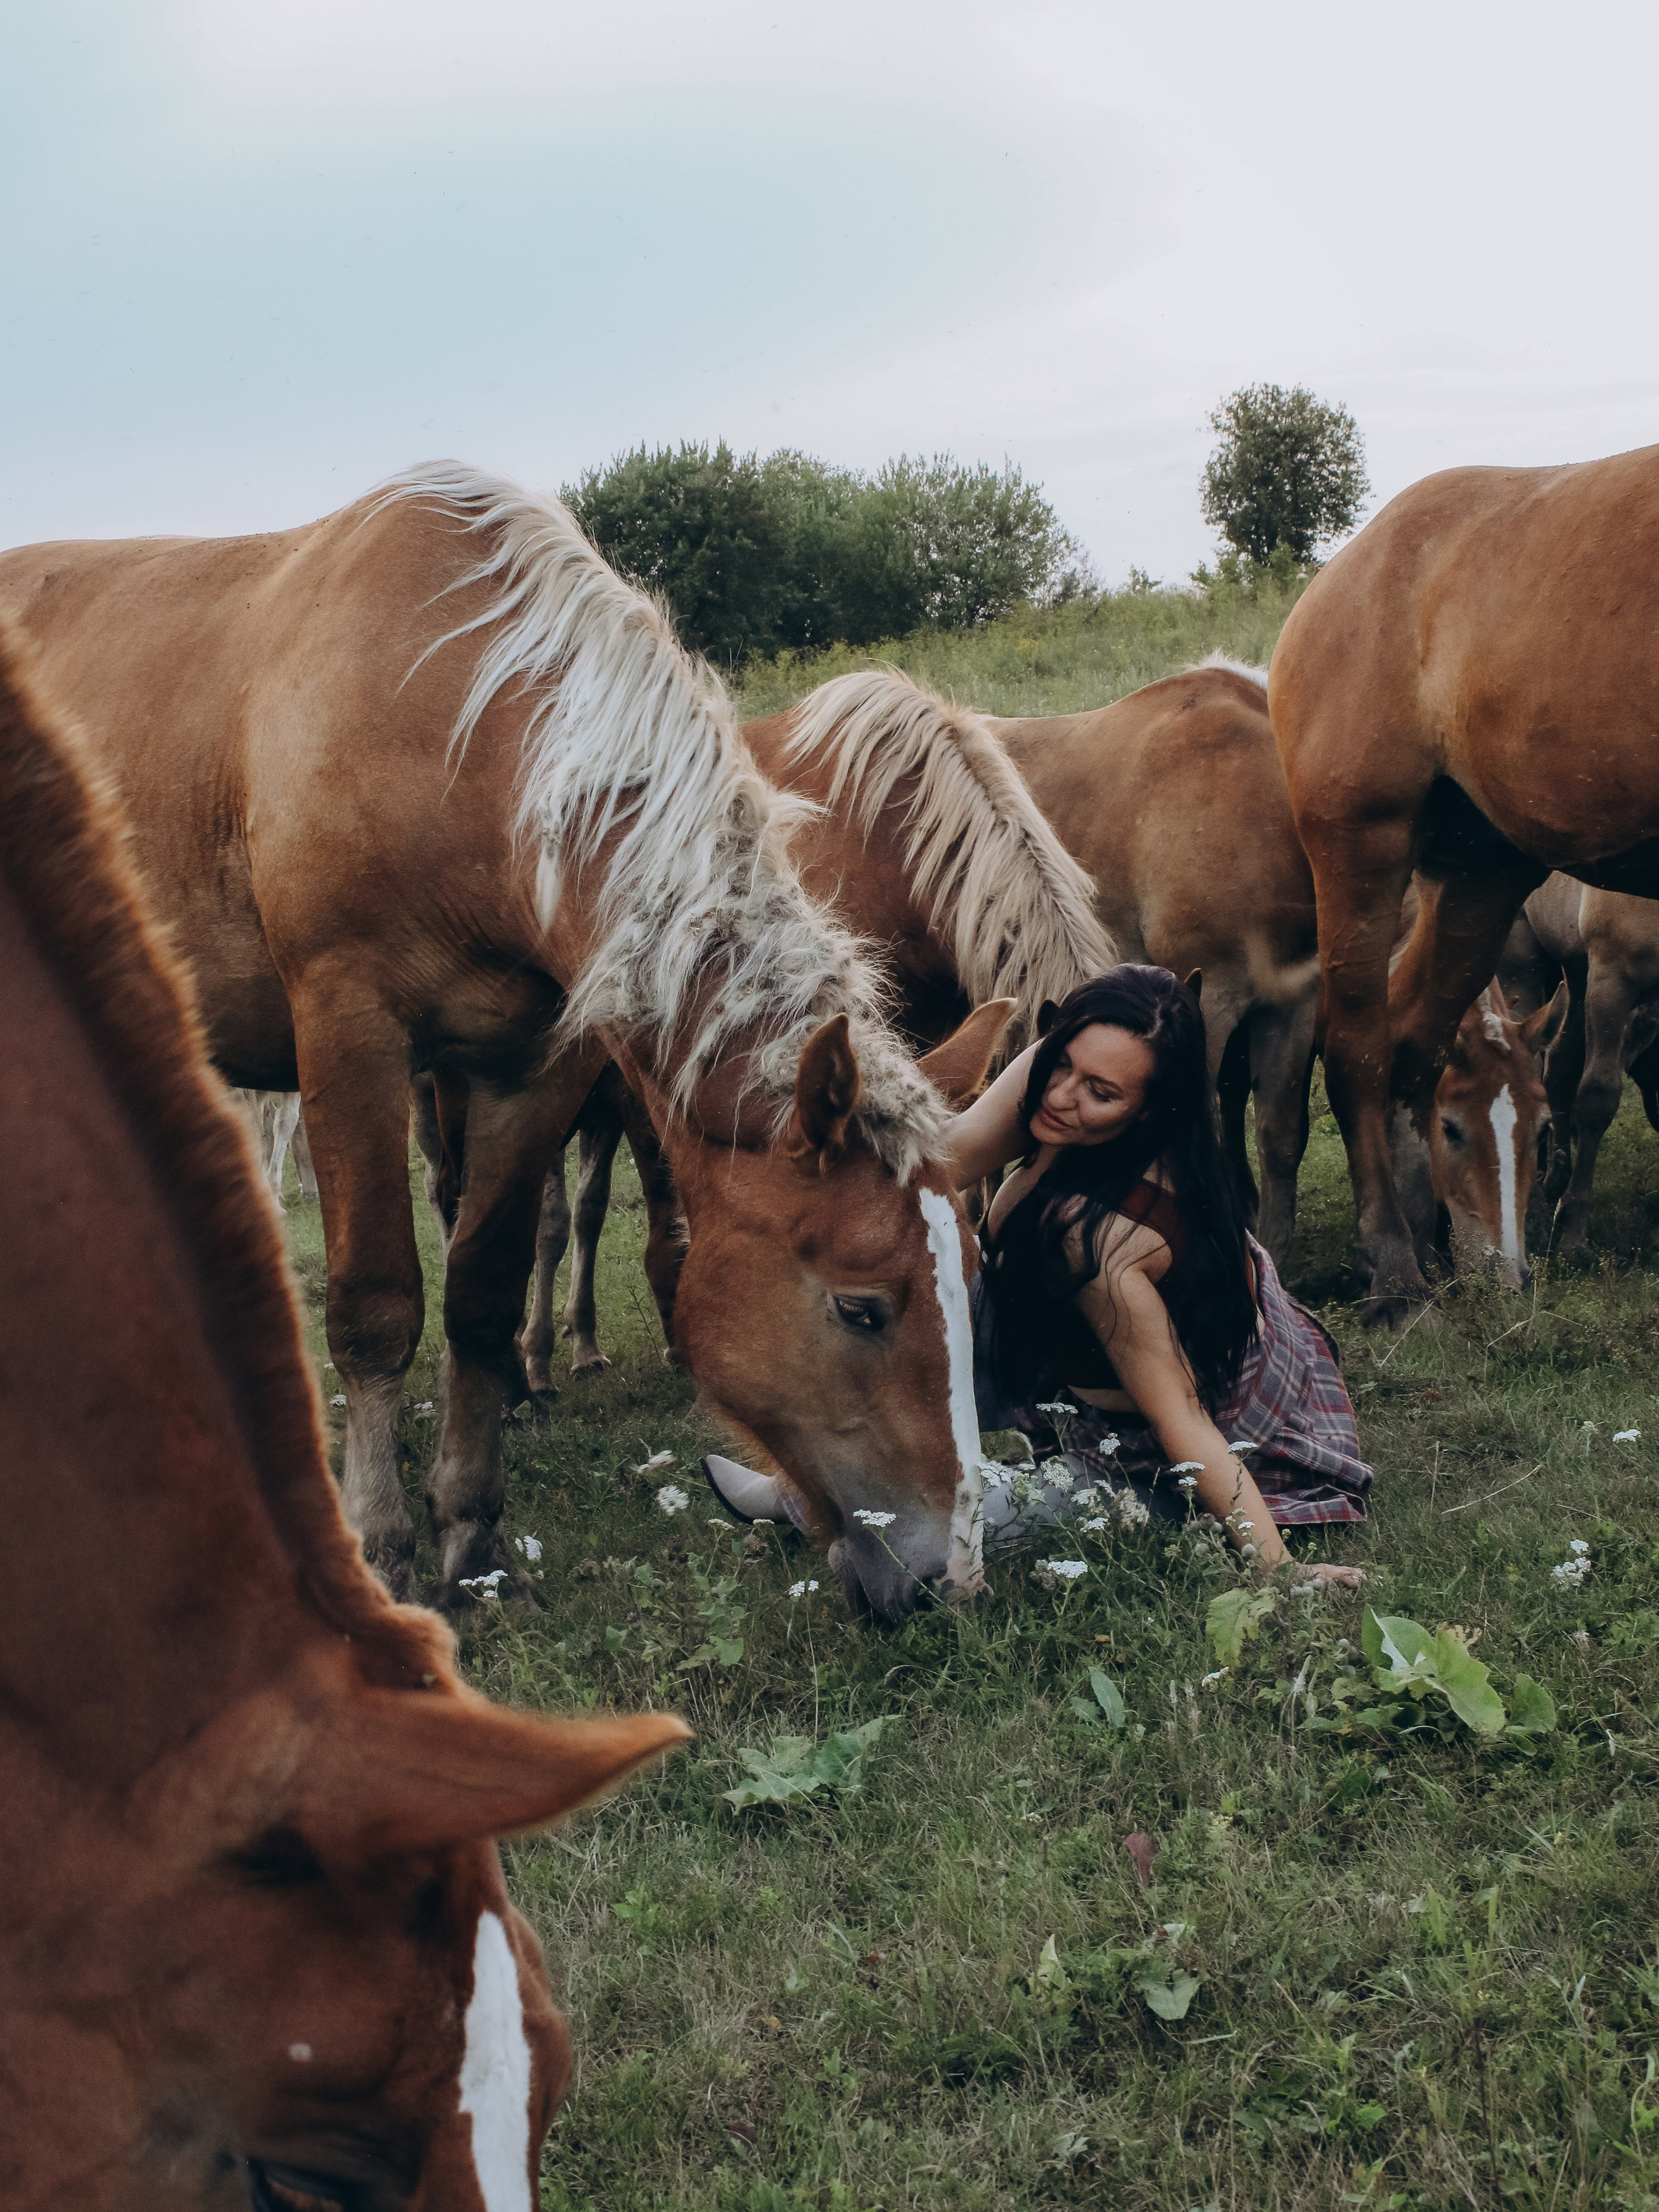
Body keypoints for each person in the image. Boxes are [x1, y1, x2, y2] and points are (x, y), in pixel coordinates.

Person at [705, 966, 1367, 1589]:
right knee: (892, 1318)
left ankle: (813, 1497)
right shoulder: (1060, 1079)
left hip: (1142, 1446)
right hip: (1052, 1337)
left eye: (1100, 1093)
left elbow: (1185, 1421)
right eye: (1063, 1065)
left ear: (1147, 1112)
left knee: (918, 1530)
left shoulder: (1104, 1247)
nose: (1061, 1096)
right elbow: (936, 1164)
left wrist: (1278, 1570)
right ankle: (804, 1480)